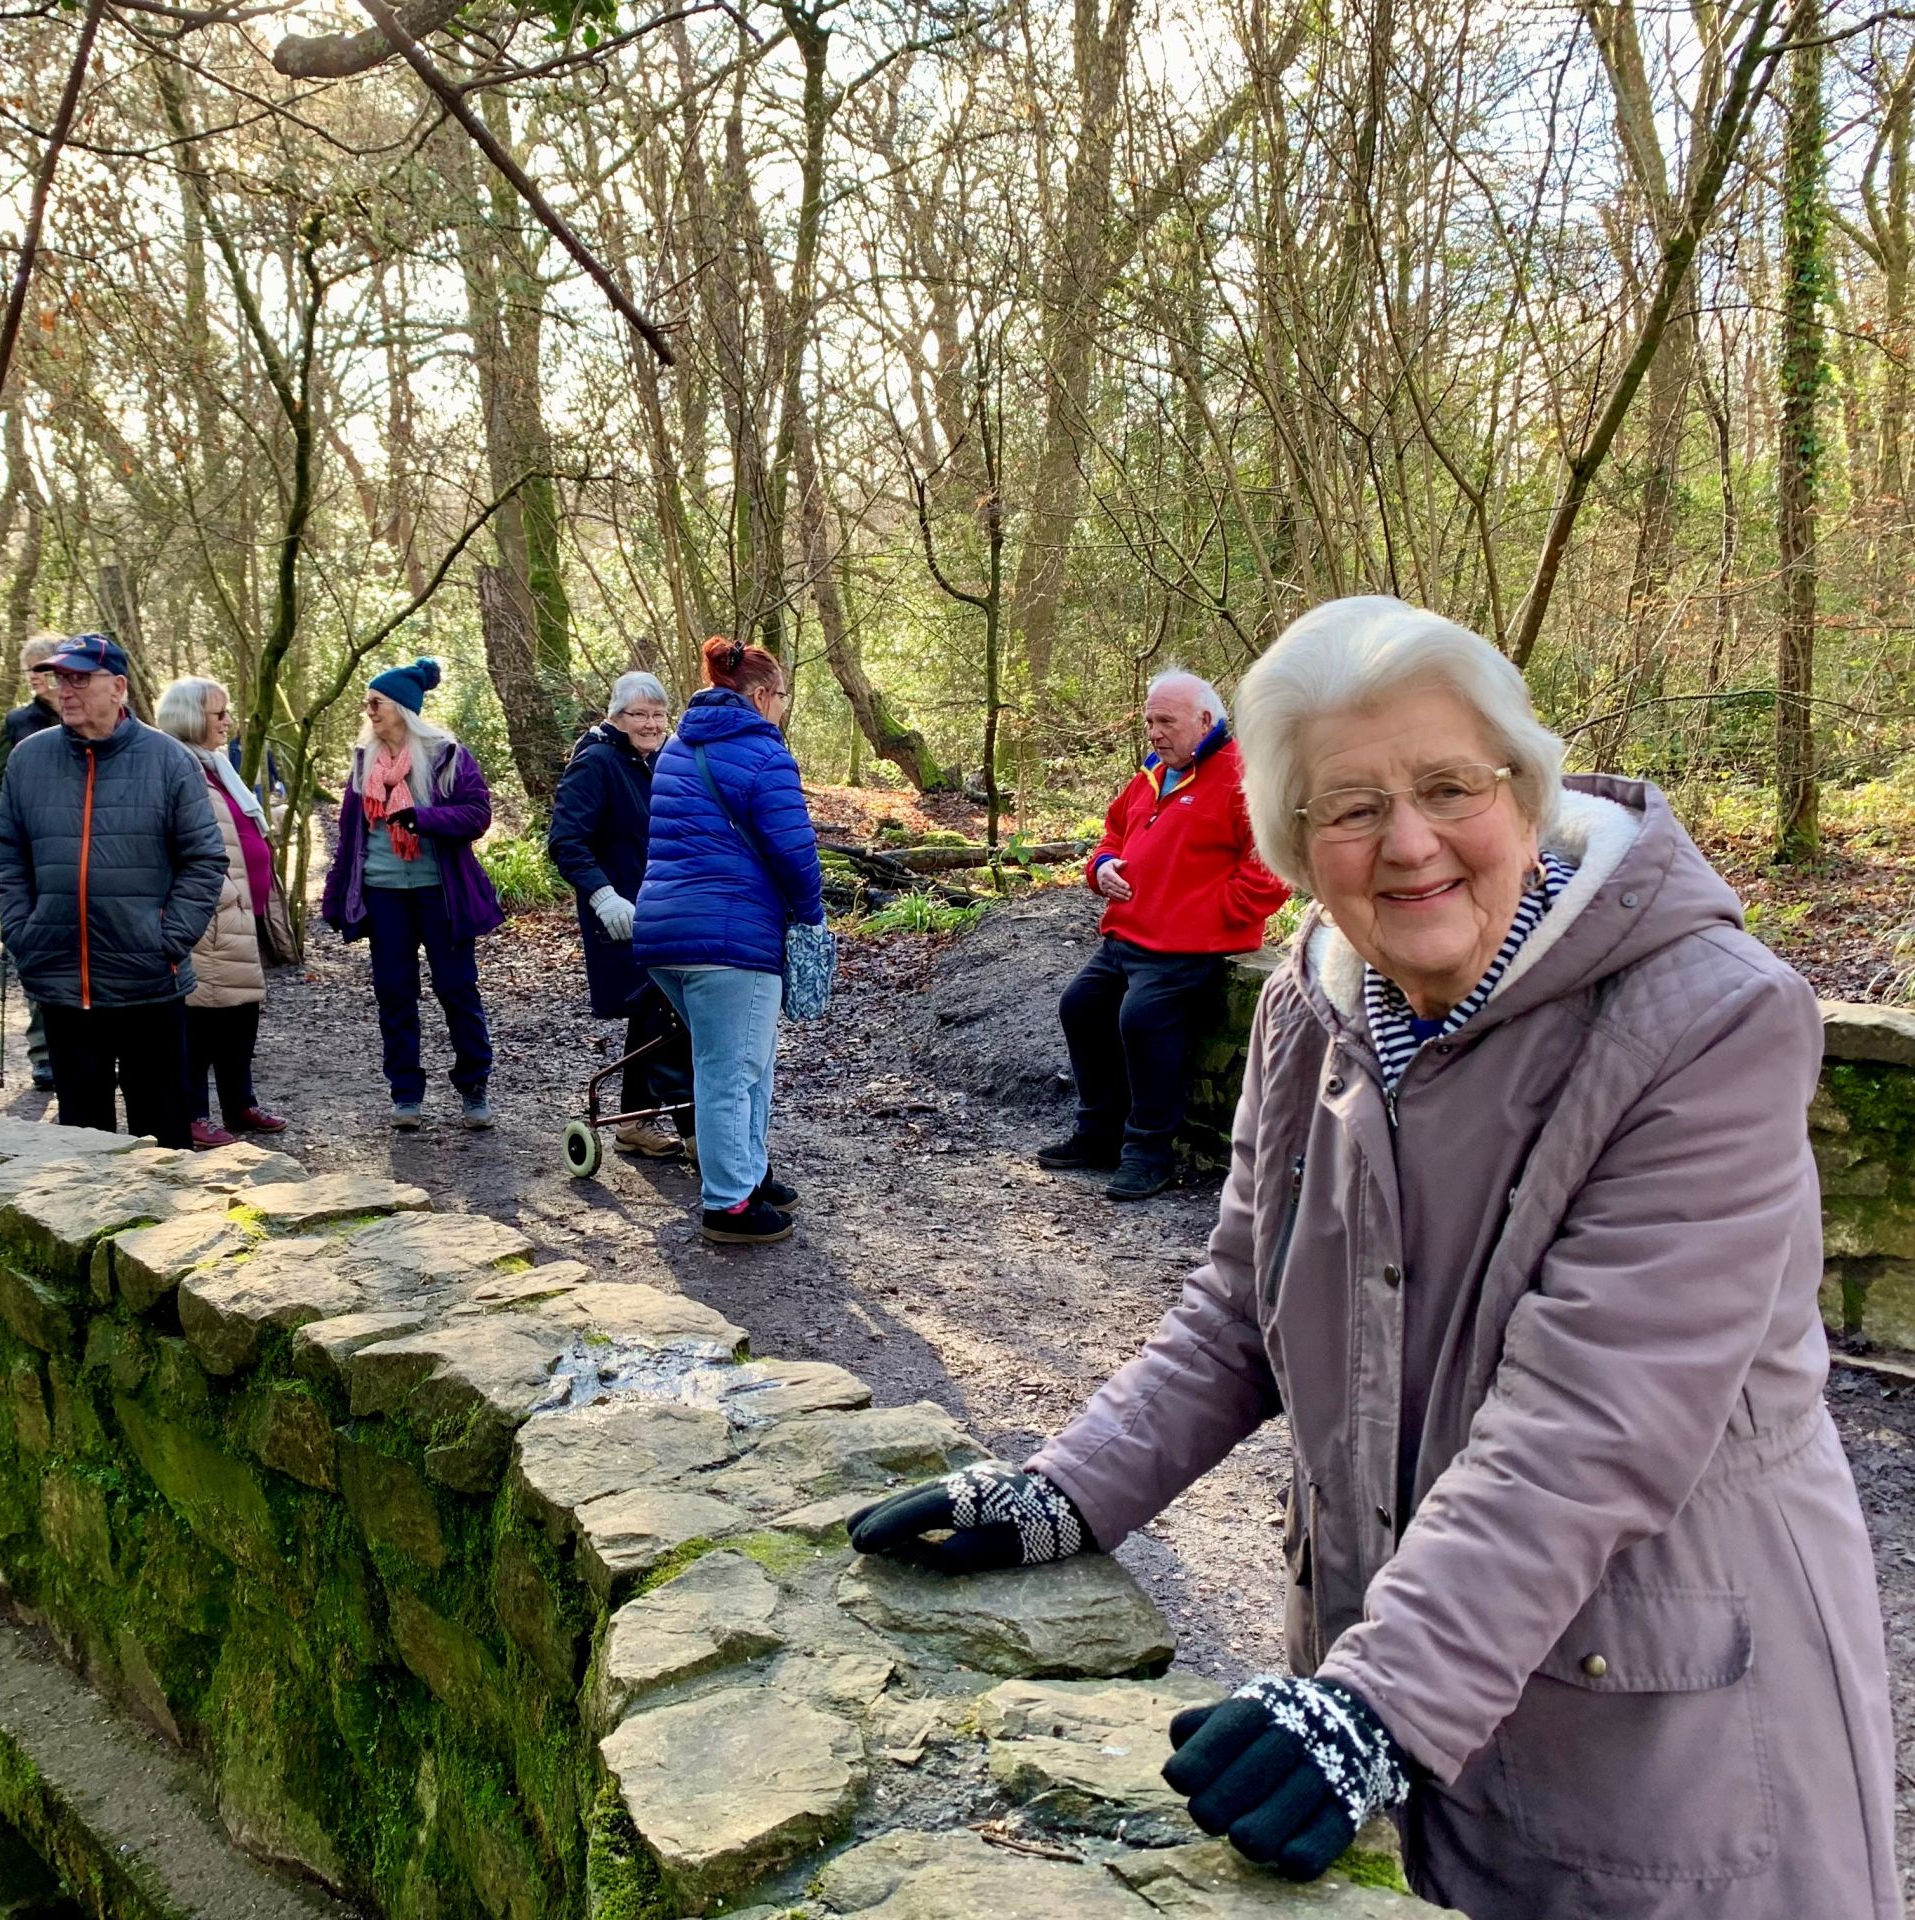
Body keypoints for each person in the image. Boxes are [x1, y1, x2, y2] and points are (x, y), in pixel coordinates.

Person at [848, 596, 1896, 1920]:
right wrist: (1062, 1491)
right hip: (1413, 1655)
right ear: (1293, 843)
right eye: (1350, 809)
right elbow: (1240, 1310)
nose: (1410, 845)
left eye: (1451, 786)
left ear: (1523, 785)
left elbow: (1594, 1417)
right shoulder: (1312, 1003)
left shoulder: (1711, 1020)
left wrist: (1373, 1700)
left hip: (1652, 1697)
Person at [1041, 668, 1289, 1201]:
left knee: (1144, 1019)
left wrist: (1209, 914)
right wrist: (1102, 866)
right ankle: (1098, 1136)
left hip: (1188, 947)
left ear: (1205, 720)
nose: (1153, 732)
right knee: (1081, 1006)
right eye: (1150, 720)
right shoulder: (1155, 769)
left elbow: (1275, 865)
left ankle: (1148, 1155)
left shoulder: (1247, 775)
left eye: (1165, 721)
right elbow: (1113, 829)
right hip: (1128, 936)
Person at [0, 634, 223, 1150]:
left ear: (118, 687)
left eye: (79, 679)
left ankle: (169, 1230)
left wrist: (168, 938)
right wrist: (23, 932)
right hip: (61, 980)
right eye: (59, 679)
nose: (65, 691)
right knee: (82, 1141)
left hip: (149, 980)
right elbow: (10, 854)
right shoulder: (29, 759)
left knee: (163, 1136)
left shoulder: (168, 759)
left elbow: (205, 859)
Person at [632, 638, 823, 1246]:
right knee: (728, 1069)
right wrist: (812, 916)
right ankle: (728, 1206)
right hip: (729, 937)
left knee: (746, 1059)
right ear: (762, 694)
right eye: (784, 697)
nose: (784, 709)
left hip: (665, 932)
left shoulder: (677, 749)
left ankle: (750, 1173)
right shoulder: (765, 756)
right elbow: (794, 853)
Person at [318, 658, 504, 1131]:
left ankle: (474, 1086)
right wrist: (337, 897)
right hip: (384, 896)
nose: (370, 712)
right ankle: (405, 1094)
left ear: (402, 707)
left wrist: (423, 818)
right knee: (394, 992)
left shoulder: (446, 755)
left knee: (456, 988)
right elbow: (349, 837)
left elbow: (476, 816)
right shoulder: (364, 762)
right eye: (368, 704)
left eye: (376, 703)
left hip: (441, 894)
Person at [548, 670, 690, 1159]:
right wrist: (603, 896)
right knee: (661, 1008)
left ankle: (633, 1121)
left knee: (657, 1012)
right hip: (618, 911)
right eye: (639, 714)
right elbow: (566, 842)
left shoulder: (654, 761)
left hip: (662, 906)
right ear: (616, 716)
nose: (651, 723)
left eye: (658, 714)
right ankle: (696, 1132)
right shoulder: (598, 762)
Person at [157, 676, 288, 1146]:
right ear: (193, 718)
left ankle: (240, 1104)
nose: (228, 721)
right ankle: (192, 1113)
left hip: (241, 912)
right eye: (219, 714)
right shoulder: (176, 766)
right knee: (201, 1017)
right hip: (209, 913)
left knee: (240, 1013)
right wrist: (214, 899)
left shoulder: (216, 765)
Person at [0, 631, 66, 1091]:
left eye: (42, 668)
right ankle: (43, 1054)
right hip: (32, 857)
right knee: (35, 949)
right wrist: (6, 829)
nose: (34, 679)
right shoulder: (18, 722)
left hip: (81, 853)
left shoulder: (99, 718)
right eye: (29, 671)